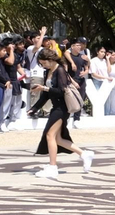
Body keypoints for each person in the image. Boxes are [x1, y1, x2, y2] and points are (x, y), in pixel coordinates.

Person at [31, 48, 93, 179]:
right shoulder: (48, 71)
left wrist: (44, 88)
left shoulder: (60, 70)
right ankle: (84, 154)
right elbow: (46, 94)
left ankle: (53, 167)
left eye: (44, 63)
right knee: (57, 138)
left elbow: (61, 91)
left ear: (50, 60)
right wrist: (35, 108)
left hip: (62, 108)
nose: (43, 66)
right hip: (56, 107)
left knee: (49, 135)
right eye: (41, 64)